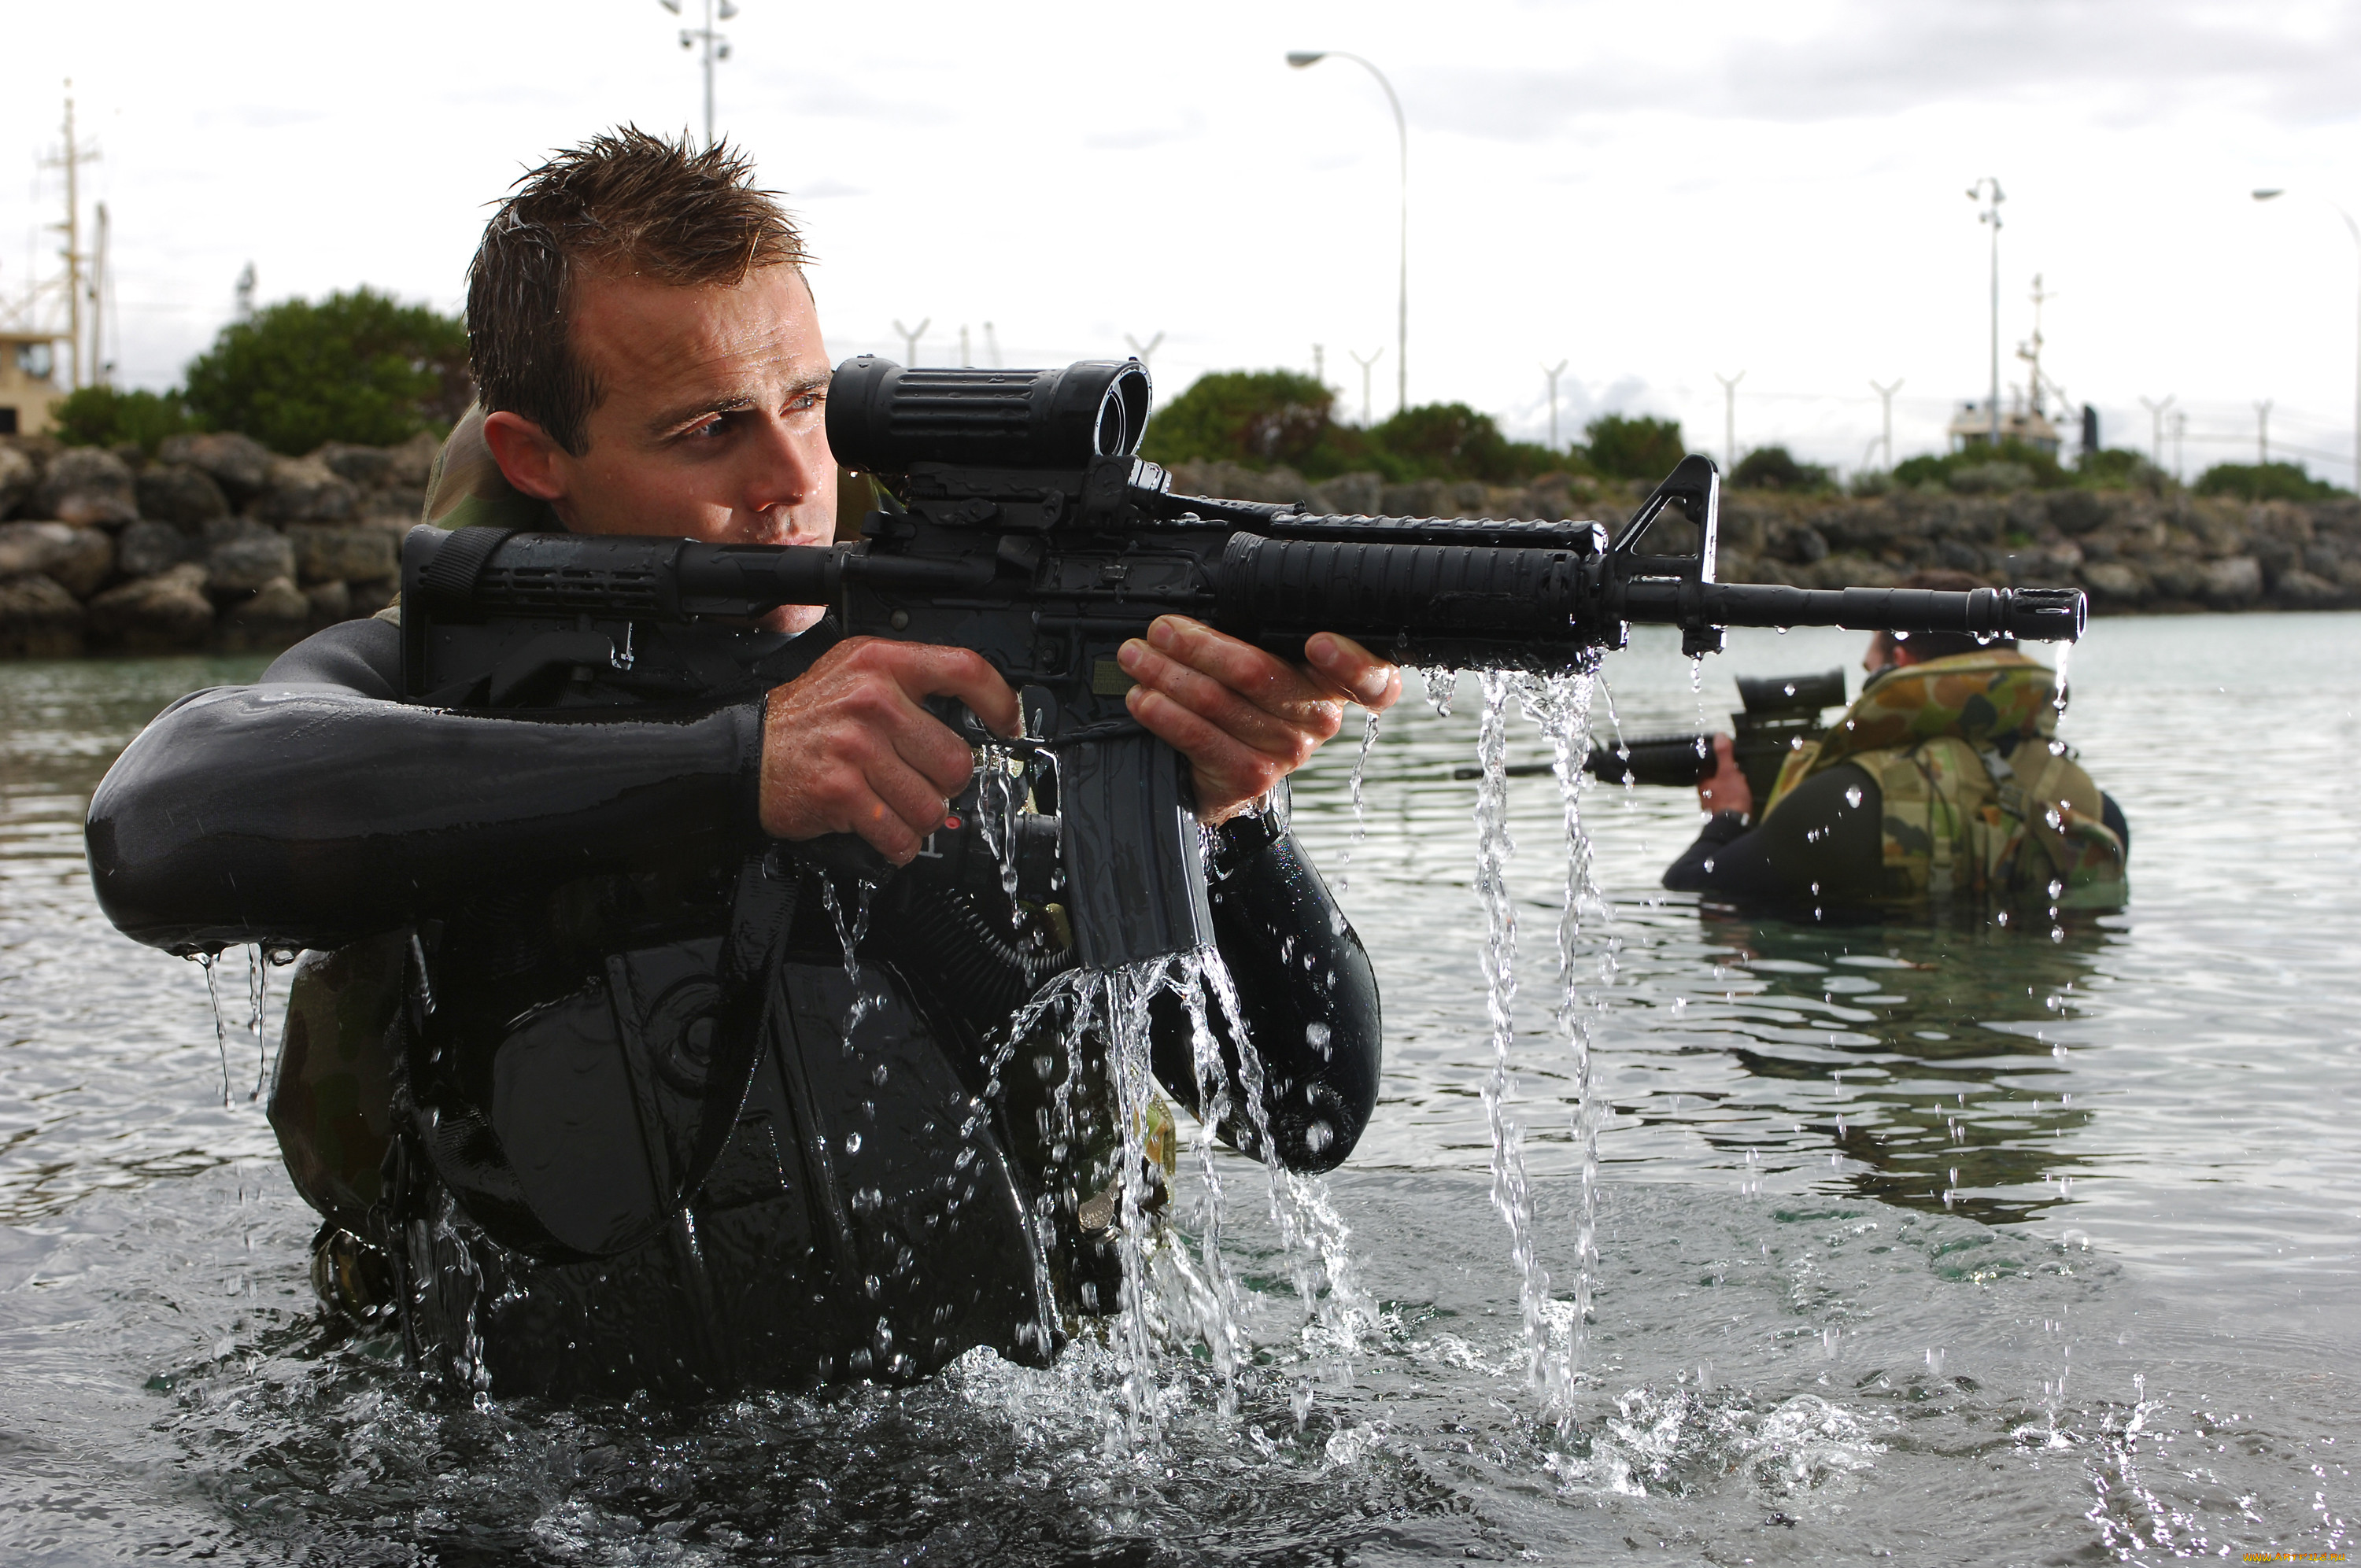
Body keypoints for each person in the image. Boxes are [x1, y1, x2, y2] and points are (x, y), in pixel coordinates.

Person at [83, 129, 1402, 1397]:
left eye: (810, 403)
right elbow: (162, 823)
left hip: (1001, 1453)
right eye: (708, 429)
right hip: (530, 1475)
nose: (791, 476)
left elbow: (1304, 1113)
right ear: (536, 457)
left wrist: (1224, 825)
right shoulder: (413, 690)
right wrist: (738, 770)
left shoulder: (995, 680)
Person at [1661, 569, 2127, 915]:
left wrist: (1729, 814)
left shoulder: (1845, 802)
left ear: (1898, 663)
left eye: (1870, 674)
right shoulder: (2093, 809)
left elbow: (1691, 887)